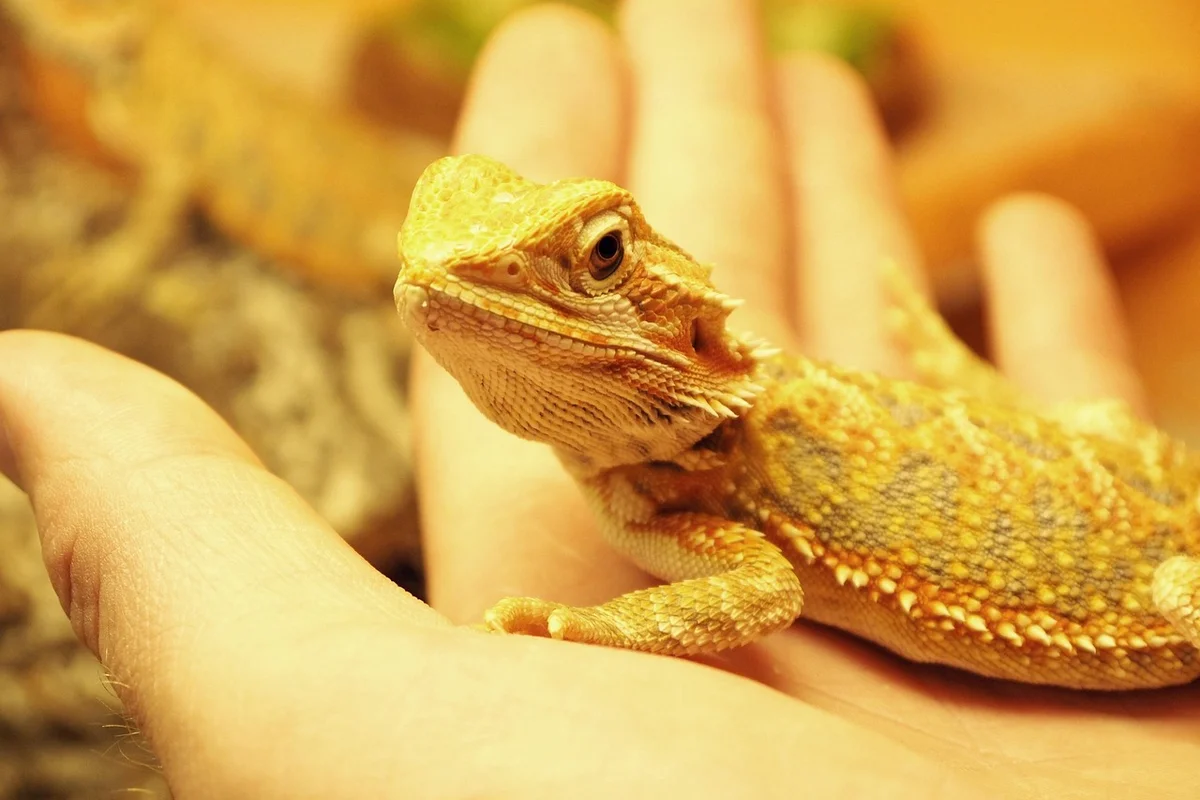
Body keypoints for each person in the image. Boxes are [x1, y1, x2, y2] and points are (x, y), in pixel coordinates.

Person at [0, 2, 1190, 796]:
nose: (445, 285)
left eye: (602, 260)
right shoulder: (654, 467)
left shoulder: (717, 472)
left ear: (682, 326)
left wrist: (607, 625)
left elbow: (765, 586)